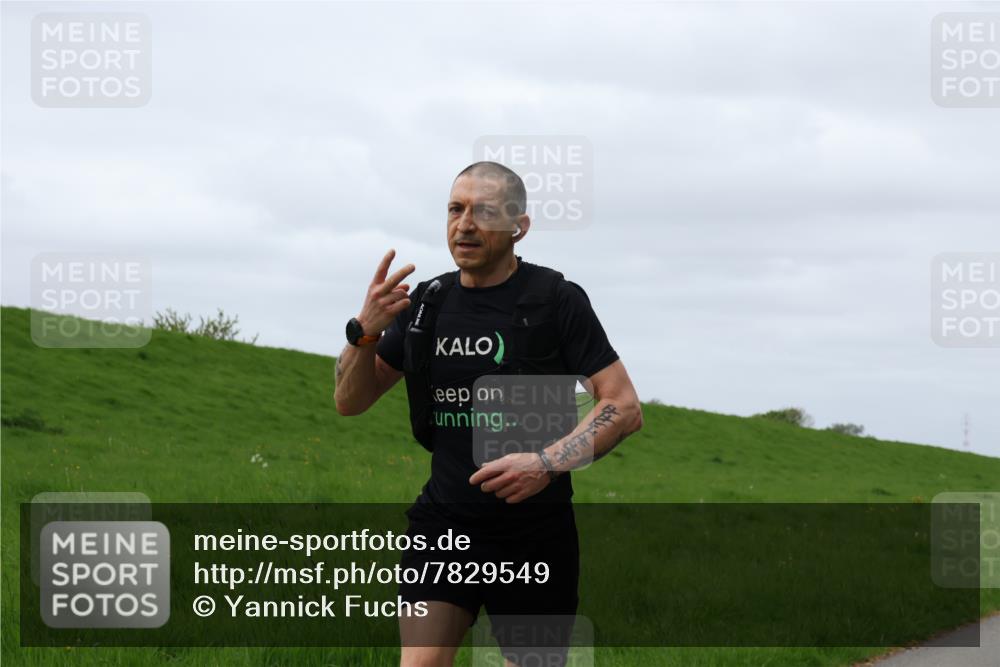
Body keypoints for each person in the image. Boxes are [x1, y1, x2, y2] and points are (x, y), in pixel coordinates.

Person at [334, 161, 643, 667]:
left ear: (519, 226)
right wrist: (363, 333)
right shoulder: (426, 306)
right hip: (445, 524)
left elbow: (623, 406)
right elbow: (350, 401)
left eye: (484, 211)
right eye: (456, 209)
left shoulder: (555, 301)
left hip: (535, 536)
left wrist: (545, 463)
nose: (465, 224)